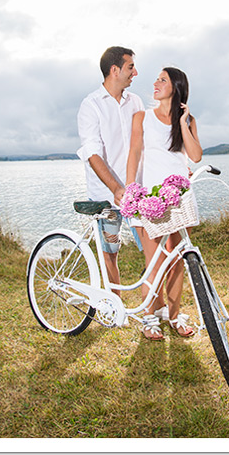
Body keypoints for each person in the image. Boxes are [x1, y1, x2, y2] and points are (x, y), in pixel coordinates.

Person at [126, 67, 202, 341]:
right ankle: (149, 318)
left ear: (176, 87)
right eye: (157, 79)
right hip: (150, 200)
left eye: (162, 80)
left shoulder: (189, 120)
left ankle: (172, 315)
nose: (155, 83)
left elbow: (195, 156)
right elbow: (134, 153)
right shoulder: (142, 118)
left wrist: (182, 123)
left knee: (178, 261)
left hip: (180, 197)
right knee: (154, 261)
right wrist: (130, 188)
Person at [77, 46, 144, 297]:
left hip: (136, 193)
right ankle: (115, 306)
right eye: (130, 67)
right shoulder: (90, 105)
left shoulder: (135, 102)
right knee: (110, 252)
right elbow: (92, 153)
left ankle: (152, 307)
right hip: (106, 198)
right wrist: (116, 189)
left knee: (151, 248)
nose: (135, 72)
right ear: (114, 70)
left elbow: (146, 144)